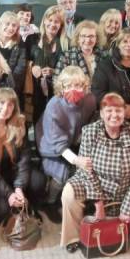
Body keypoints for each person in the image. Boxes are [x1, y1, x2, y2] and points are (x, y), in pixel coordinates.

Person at [61, 92, 130, 253]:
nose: (114, 115)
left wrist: (128, 209)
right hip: (93, 183)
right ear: (101, 114)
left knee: (118, 228)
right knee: (68, 193)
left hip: (122, 189)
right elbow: (86, 169)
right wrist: (98, 201)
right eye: (109, 111)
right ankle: (72, 238)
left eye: (118, 111)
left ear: (125, 112)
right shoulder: (89, 131)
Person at [0, 88, 46, 223]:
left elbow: (24, 158)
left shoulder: (18, 124)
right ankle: (14, 207)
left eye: (10, 105)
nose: (5, 108)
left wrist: (19, 187)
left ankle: (27, 206)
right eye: (1, 102)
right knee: (2, 210)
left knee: (38, 181)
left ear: (14, 108)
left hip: (13, 171)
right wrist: (9, 194)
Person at [35, 66, 96, 223]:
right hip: (52, 143)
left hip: (76, 139)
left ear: (84, 86)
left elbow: (91, 122)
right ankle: (50, 202)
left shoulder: (90, 100)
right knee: (60, 174)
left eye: (77, 85)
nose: (73, 89)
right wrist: (76, 160)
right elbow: (57, 142)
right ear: (61, 87)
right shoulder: (54, 105)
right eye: (68, 86)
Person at [29, 5, 67, 123]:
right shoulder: (32, 39)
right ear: (44, 20)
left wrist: (54, 71)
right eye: (50, 20)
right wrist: (31, 67)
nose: (52, 24)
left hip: (56, 91)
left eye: (56, 21)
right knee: (37, 121)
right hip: (35, 91)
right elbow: (24, 59)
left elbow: (70, 67)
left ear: (61, 25)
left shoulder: (66, 43)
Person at [0, 11, 27, 95]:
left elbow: (20, 70)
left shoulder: (21, 45)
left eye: (14, 25)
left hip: (12, 88)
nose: (10, 28)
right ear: (0, 24)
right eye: (7, 24)